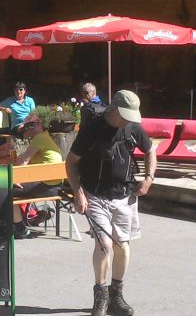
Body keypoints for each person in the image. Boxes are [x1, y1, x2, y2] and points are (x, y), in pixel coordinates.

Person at [66, 90, 155, 316]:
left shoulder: (133, 127)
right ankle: (101, 296)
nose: (128, 120)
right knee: (104, 244)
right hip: (95, 194)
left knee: (122, 246)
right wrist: (78, 192)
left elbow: (150, 150)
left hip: (124, 195)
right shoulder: (92, 128)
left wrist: (148, 178)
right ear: (113, 109)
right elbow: (71, 162)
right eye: (125, 115)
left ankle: (116, 296)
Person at [11, 113, 63, 239]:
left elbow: (24, 161)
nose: (29, 129)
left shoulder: (39, 138)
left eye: (31, 126)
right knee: (13, 187)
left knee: (5, 191)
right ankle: (24, 220)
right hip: (56, 185)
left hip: (46, 187)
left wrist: (14, 178)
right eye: (28, 126)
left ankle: (20, 228)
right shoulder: (45, 136)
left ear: (39, 125)